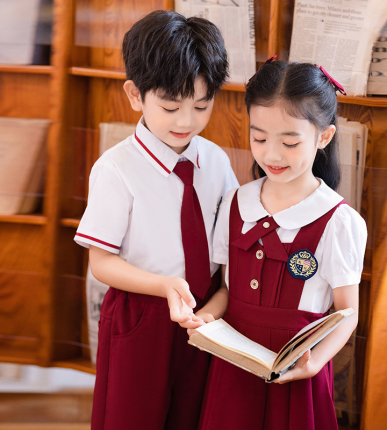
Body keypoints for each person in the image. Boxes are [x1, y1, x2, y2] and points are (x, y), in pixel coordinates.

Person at [74, 10, 238, 430]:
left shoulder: (215, 161)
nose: (187, 121)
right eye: (170, 106)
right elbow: (102, 263)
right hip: (141, 314)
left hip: (206, 313)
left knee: (196, 413)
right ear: (135, 95)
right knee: (132, 417)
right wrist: (163, 286)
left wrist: (215, 306)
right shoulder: (116, 168)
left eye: (202, 105)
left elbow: (228, 243)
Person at [182, 60, 367, 430]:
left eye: (290, 141)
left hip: (297, 367)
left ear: (324, 137)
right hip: (234, 361)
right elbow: (227, 292)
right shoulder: (237, 203)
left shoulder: (338, 221)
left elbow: (348, 314)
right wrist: (207, 316)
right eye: (259, 138)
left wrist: (314, 362)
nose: (272, 155)